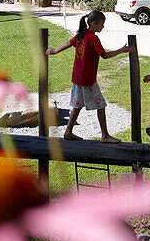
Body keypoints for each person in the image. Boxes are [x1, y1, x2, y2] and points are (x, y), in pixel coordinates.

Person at [46, 9, 134, 143]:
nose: (103, 27)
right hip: (88, 80)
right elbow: (104, 55)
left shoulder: (82, 34)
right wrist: (122, 50)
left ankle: (68, 132)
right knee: (101, 105)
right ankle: (105, 136)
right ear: (93, 24)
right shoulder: (93, 38)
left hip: (77, 78)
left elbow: (69, 43)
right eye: (102, 24)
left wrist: (54, 51)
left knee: (77, 105)